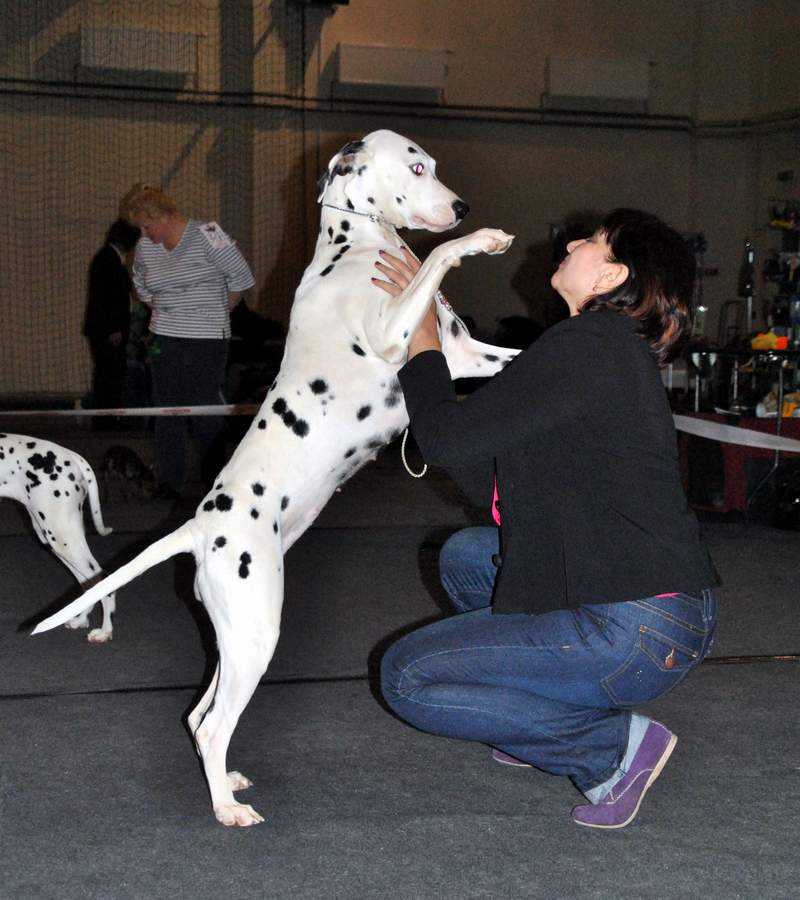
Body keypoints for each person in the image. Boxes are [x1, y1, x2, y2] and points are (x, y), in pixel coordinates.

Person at [376, 208, 719, 830]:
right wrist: (427, 314)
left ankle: (609, 750)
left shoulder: (590, 345)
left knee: (407, 678)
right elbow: (488, 476)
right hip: (653, 614)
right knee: (465, 558)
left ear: (612, 275)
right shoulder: (597, 351)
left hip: (635, 629)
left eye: (595, 241)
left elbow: (446, 438)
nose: (574, 242)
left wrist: (422, 342)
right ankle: (533, 715)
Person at [119, 184, 255, 500]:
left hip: (206, 339)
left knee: (204, 410)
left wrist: (215, 311)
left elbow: (242, 278)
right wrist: (168, 311)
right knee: (167, 410)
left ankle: (217, 484)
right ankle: (170, 482)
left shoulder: (210, 234)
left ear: (163, 216)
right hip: (163, 338)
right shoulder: (145, 247)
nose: (143, 233)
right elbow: (141, 287)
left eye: (146, 225)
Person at [83, 218, 141, 425]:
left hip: (104, 328)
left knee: (108, 373)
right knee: (108, 374)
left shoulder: (109, 258)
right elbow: (107, 298)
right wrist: (114, 328)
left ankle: (107, 417)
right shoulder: (108, 260)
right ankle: (105, 419)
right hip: (108, 330)